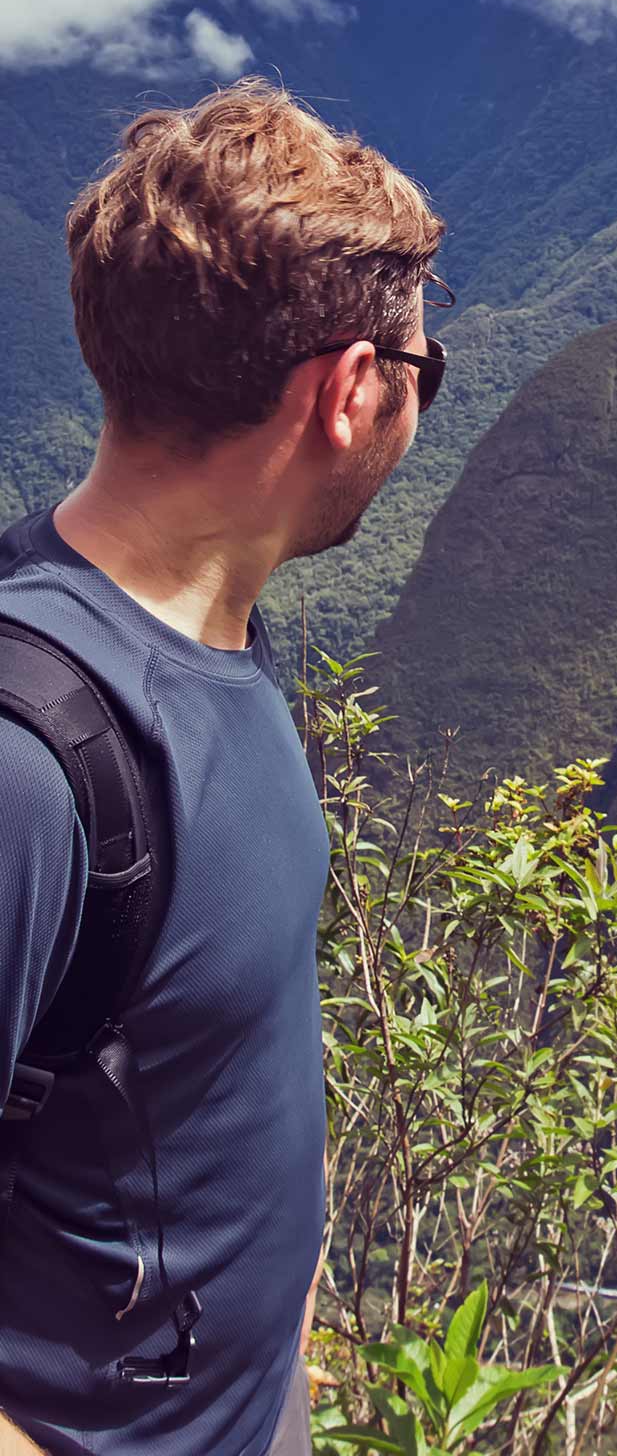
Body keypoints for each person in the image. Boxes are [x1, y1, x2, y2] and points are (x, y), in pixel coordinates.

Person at [0, 80, 447, 1454]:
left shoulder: (203, 640)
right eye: (428, 371)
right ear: (348, 391)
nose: (420, 402)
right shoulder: (32, 764)